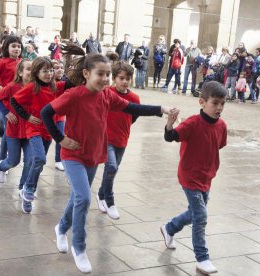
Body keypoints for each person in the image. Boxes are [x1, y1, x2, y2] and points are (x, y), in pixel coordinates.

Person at [40, 45, 173, 274]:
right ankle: (79, 248)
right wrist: (60, 139)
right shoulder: (74, 95)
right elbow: (46, 113)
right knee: (83, 197)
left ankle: (61, 228)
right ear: (86, 74)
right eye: (100, 74)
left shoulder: (107, 96)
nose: (104, 78)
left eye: (107, 74)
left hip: (93, 154)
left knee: (77, 197)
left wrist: (161, 109)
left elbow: (132, 107)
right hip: (73, 155)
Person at [161, 80, 227, 275]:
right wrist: (169, 124)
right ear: (202, 102)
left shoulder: (222, 125)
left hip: (207, 177)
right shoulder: (192, 123)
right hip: (189, 176)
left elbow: (218, 145)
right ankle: (202, 257)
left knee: (194, 213)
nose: (219, 107)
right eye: (215, 103)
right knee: (200, 216)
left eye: (222, 103)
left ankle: (169, 228)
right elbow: (170, 136)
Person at [10, 57, 69, 214]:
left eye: (51, 70)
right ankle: (28, 189)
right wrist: (27, 116)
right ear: (36, 72)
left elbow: (73, 83)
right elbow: (14, 101)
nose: (49, 74)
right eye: (45, 71)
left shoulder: (57, 86)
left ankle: (26, 193)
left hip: (48, 131)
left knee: (39, 164)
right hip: (34, 129)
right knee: (40, 158)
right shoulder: (31, 88)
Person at [95, 61, 140, 220]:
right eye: (121, 78)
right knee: (112, 166)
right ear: (114, 78)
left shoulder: (134, 97)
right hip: (106, 138)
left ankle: (100, 195)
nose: (125, 81)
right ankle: (110, 201)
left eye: (128, 78)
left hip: (122, 139)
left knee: (111, 171)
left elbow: (133, 116)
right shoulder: (106, 92)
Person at [0, 59, 33, 190]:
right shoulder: (12, 86)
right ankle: (2, 167)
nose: (31, 72)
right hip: (14, 130)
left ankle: (23, 188)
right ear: (20, 72)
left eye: (34, 69)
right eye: (28, 69)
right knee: (13, 161)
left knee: (30, 161)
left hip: (30, 131)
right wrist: (6, 113)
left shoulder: (37, 87)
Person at [0, 36, 23, 162]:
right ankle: (1, 135)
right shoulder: (2, 62)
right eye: (13, 46)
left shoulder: (23, 62)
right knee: (0, 122)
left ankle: (6, 152)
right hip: (3, 98)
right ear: (7, 48)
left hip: (17, 100)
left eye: (18, 46)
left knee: (10, 125)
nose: (16, 49)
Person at [52, 59, 66, 171]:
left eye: (61, 67)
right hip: (47, 115)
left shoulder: (66, 82)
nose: (59, 69)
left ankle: (58, 160)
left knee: (60, 137)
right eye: (57, 68)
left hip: (61, 115)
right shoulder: (47, 82)